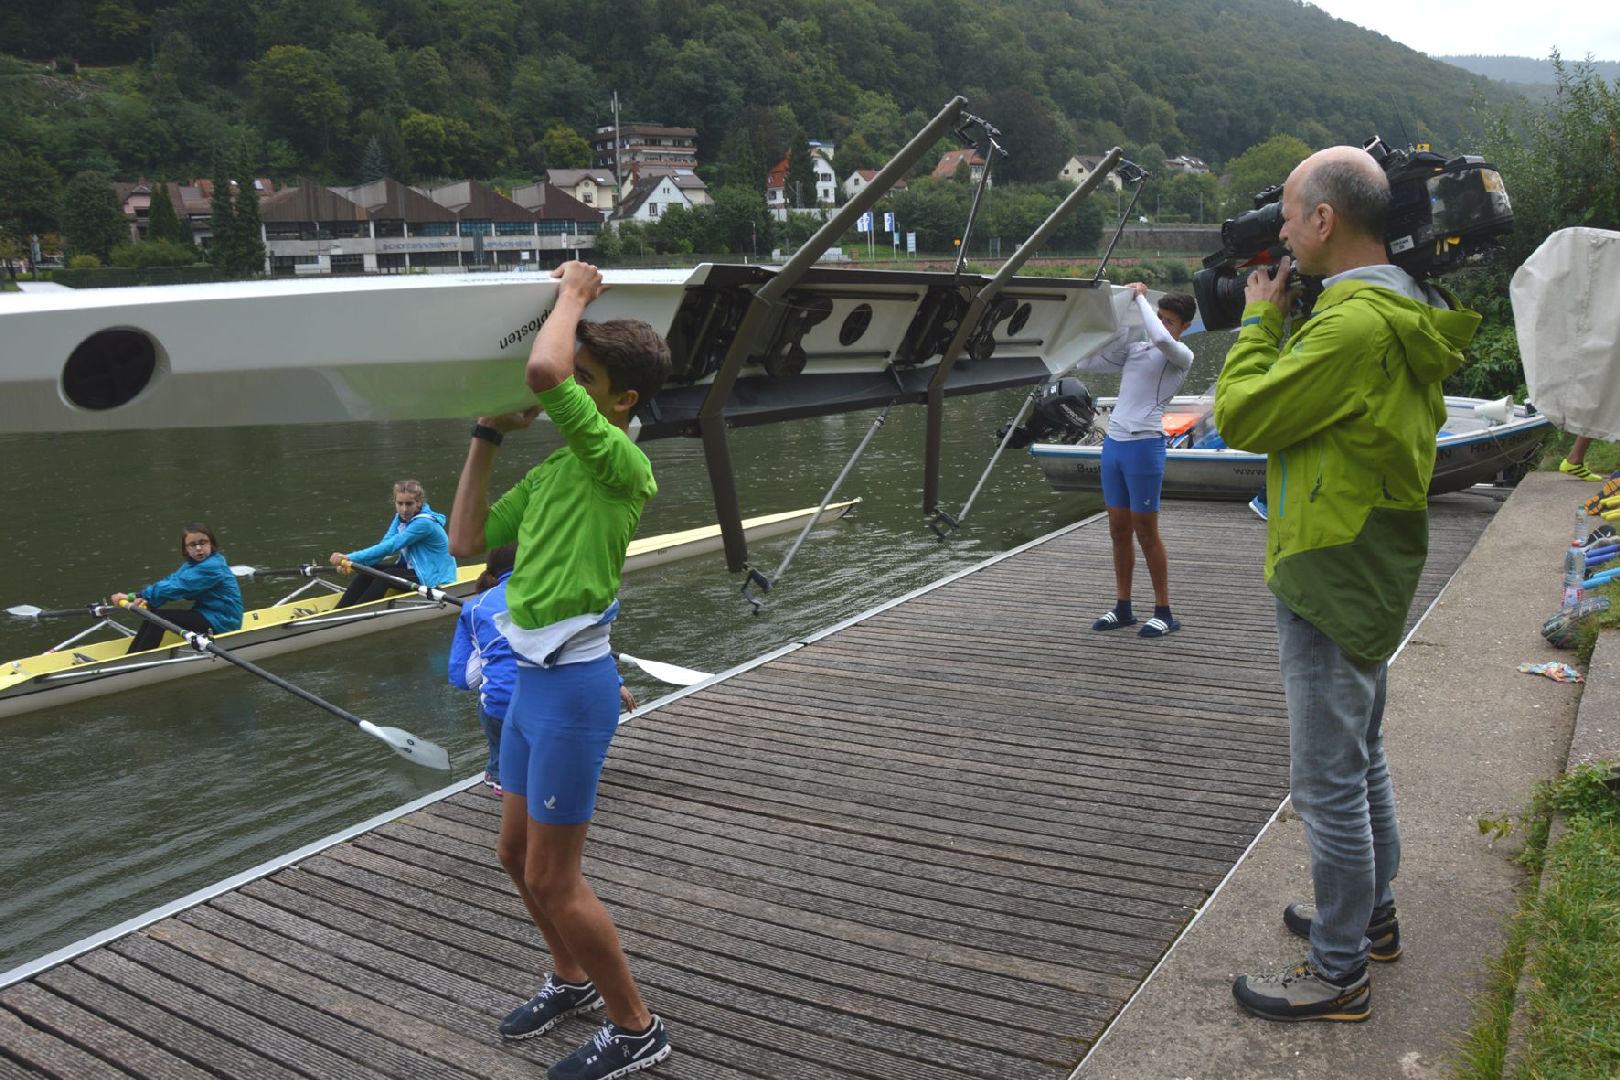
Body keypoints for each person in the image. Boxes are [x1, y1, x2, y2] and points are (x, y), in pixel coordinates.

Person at [1214, 146, 1481, 1022]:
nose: (1283, 236)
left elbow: (1241, 415)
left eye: (1289, 217)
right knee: (1361, 759)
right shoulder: (1398, 303)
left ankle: (1339, 972)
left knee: (1326, 781)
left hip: (1330, 566)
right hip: (1369, 553)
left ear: (1325, 219)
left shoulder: (1352, 327)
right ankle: (1372, 919)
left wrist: (1258, 323)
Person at [447, 260, 673, 1080]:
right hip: (529, 684)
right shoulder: (553, 473)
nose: (566, 387)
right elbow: (466, 540)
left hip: (574, 691)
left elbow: (543, 371)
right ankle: (571, 980)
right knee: (515, 857)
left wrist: (573, 293)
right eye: (573, 373)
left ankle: (637, 1029)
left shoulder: (620, 464)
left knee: (554, 874)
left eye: (588, 380)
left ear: (621, 402)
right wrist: (486, 432)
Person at [1074, 283, 1197, 638]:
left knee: (1145, 531)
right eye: (1161, 317)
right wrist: (1126, 315)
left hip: (1144, 447)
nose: (1163, 324)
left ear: (1185, 326)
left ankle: (1164, 611)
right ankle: (1123, 607)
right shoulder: (1136, 349)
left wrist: (1140, 298)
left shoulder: (1181, 355)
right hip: (1114, 445)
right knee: (1117, 530)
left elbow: (1161, 339)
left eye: (1171, 320)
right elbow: (1085, 361)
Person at [112, 522, 244, 654]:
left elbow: (177, 587)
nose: (198, 548)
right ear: (186, 549)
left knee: (159, 618)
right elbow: (171, 581)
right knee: (153, 617)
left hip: (223, 621)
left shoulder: (212, 566)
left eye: (203, 542)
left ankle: (139, 659)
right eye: (193, 545)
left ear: (212, 544)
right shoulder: (191, 564)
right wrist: (145, 598)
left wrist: (137, 596)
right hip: (208, 614)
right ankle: (131, 656)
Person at [328, 479, 456, 608]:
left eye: (409, 504)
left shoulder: (424, 523)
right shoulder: (400, 518)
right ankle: (338, 610)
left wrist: (349, 558)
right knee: (369, 571)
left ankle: (357, 613)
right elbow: (383, 547)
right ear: (395, 502)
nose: (404, 509)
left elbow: (390, 547)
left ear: (418, 503)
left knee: (386, 576)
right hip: (416, 570)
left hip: (435, 576)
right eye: (400, 503)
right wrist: (355, 566)